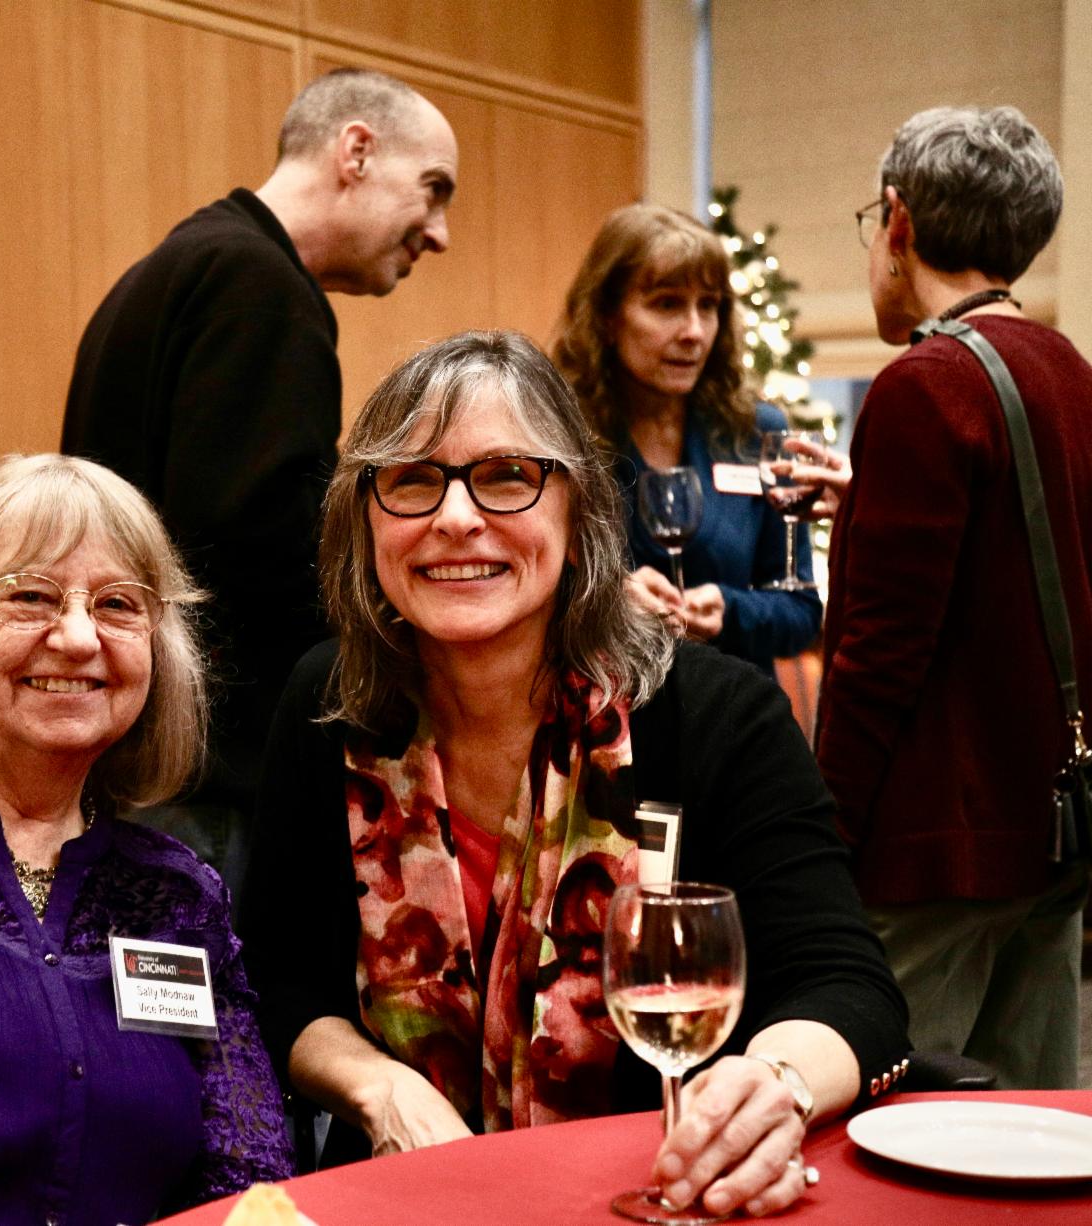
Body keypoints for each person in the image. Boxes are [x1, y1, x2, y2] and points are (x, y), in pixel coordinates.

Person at [241, 331, 909, 1219]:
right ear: (363, 519)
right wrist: (379, 1087)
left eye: (507, 475)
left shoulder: (713, 715)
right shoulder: (330, 706)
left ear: (578, 509)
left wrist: (776, 1085)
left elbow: (848, 988)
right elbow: (276, 981)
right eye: (412, 479)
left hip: (664, 1195)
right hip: (410, 1203)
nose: (455, 517)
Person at [62, 67, 458, 894]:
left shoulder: (181, 265)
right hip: (210, 777)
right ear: (356, 151)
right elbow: (258, 543)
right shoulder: (261, 290)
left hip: (144, 758)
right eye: (433, 189)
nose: (439, 233)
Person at [0, 454, 292, 1226]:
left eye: (116, 605)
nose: (78, 637)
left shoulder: (177, 899)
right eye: (31, 596)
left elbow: (246, 1180)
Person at [816, 105, 1092, 1088]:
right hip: (1053, 837)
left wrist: (824, 837)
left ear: (898, 220)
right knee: (1031, 1135)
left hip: (934, 853)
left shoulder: (924, 383)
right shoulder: (1069, 370)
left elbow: (880, 657)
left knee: (879, 1127)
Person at [552, 203, 821, 675]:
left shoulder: (756, 432)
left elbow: (801, 614)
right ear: (607, 317)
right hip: (609, 706)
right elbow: (523, 600)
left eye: (708, 306)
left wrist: (729, 610)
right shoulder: (558, 434)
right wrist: (609, 602)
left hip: (737, 706)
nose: (694, 332)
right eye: (667, 304)